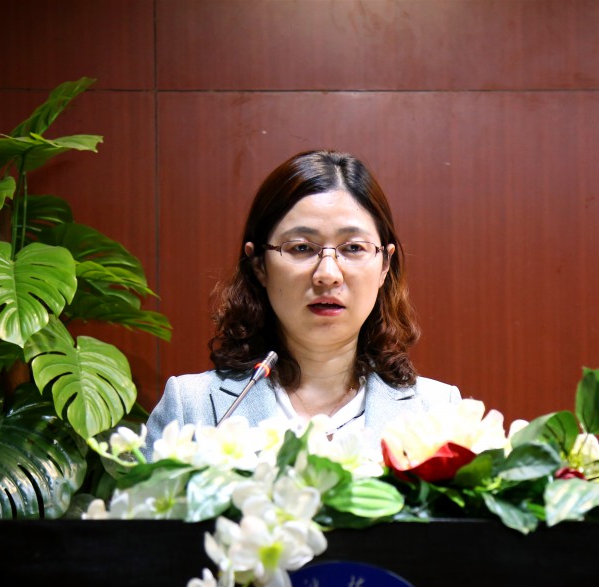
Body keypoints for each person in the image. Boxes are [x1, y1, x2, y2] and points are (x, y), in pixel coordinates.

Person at [145, 150, 460, 448]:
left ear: (385, 265)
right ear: (259, 264)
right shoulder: (191, 408)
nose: (328, 274)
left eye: (353, 248)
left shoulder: (438, 413)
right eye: (301, 248)